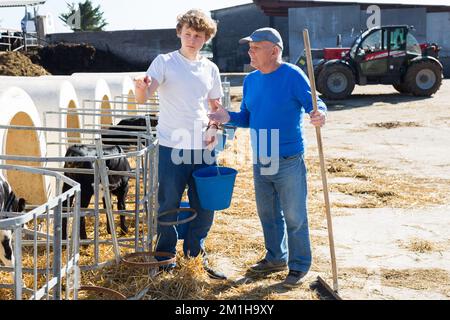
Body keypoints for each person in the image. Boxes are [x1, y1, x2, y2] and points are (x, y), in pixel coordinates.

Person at [208, 27, 327, 288]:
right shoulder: (251, 80)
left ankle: (299, 265)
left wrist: (320, 115)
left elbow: (315, 104)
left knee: (294, 215)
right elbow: (247, 117)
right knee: (268, 213)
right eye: (249, 46)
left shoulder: (292, 76)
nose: (250, 51)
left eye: (256, 46)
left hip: (288, 158)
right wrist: (228, 117)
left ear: (274, 51)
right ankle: (275, 258)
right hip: (261, 156)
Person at [135, 9, 225, 280]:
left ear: (205, 38)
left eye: (198, 35)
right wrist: (140, 86)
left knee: (205, 205)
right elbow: (143, 97)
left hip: (204, 147)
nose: (192, 39)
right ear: (179, 32)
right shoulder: (164, 62)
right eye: (187, 33)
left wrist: (214, 127)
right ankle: (165, 259)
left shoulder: (210, 68)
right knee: (169, 204)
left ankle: (196, 255)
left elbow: (216, 107)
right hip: (172, 146)